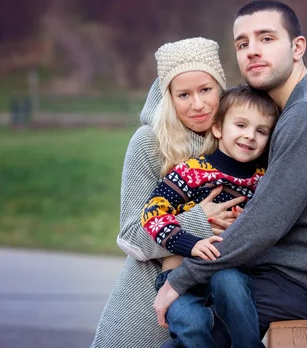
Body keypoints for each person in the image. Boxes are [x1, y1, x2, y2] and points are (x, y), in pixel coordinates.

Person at [153, 0, 307, 342]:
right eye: (242, 43)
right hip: (274, 271)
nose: (252, 51)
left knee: (187, 333)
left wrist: (178, 282)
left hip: (294, 281)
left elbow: (262, 225)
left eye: (266, 38)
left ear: (297, 47)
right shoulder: (289, 111)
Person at [91, 37, 246, 348]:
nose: (198, 104)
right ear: (169, 97)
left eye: (206, 90)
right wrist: (198, 220)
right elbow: (132, 235)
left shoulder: (237, 141)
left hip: (215, 305)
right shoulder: (149, 143)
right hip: (146, 308)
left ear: (221, 88)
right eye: (184, 94)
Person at [142, 85, 279, 347]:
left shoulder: (263, 178)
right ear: (218, 128)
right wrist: (188, 242)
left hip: (230, 271)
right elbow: (152, 212)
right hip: (179, 274)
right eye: (241, 125)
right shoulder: (193, 171)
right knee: (192, 326)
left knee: (232, 288)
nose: (250, 136)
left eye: (261, 131)